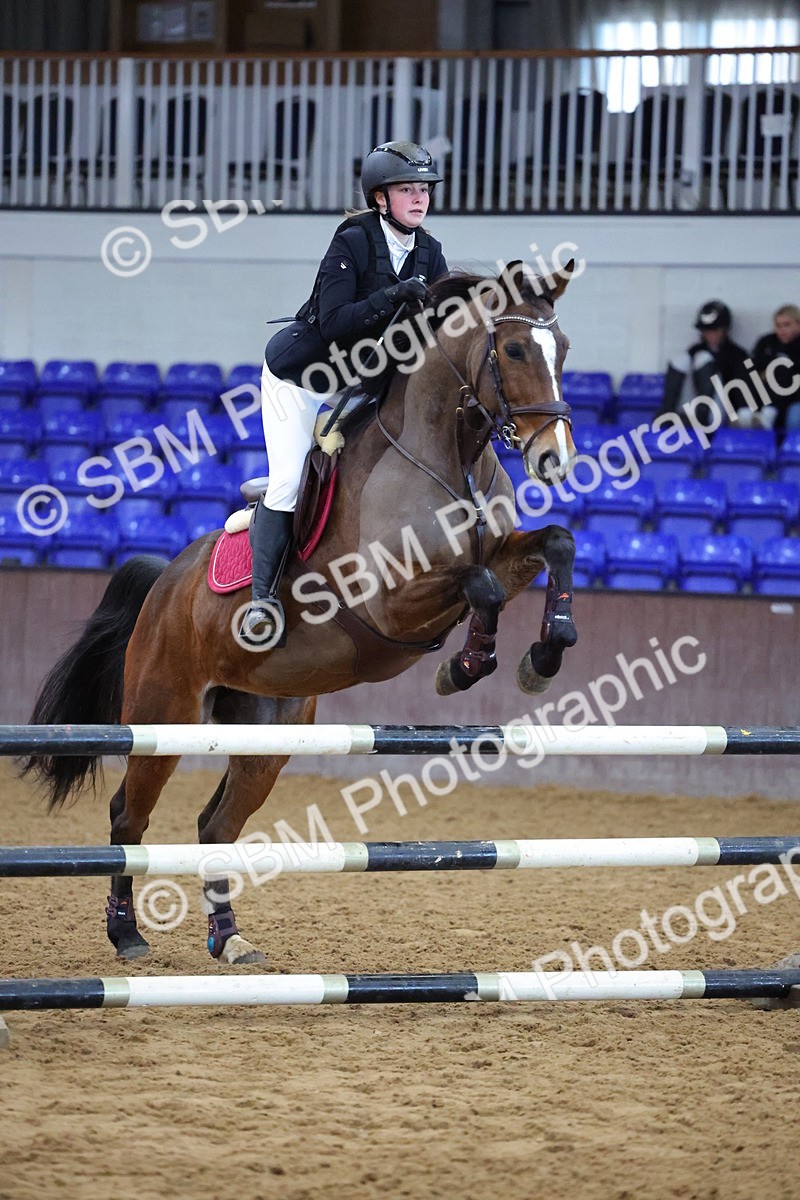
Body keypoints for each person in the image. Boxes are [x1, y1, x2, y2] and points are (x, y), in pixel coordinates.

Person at [242, 141, 449, 644]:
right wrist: (392, 296)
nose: (419, 199)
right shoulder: (352, 242)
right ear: (381, 199)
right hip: (301, 377)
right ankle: (262, 602)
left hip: (359, 383)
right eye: (407, 191)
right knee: (289, 483)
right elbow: (334, 322)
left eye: (423, 190)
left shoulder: (430, 252)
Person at [661, 300, 750, 428]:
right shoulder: (694, 350)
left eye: (714, 330)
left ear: (724, 330)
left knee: (703, 359)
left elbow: (740, 389)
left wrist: (740, 413)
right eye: (706, 330)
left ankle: (702, 417)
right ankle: (668, 413)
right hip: (692, 404)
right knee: (681, 360)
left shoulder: (737, 354)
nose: (710, 334)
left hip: (719, 410)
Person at [743, 304, 800, 433]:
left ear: (798, 325)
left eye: (786, 325)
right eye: (778, 326)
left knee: (781, 368)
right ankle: (745, 412)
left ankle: (768, 416)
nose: (782, 330)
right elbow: (754, 368)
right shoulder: (767, 342)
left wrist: (774, 373)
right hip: (763, 392)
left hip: (791, 397)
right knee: (745, 367)